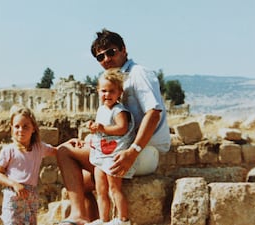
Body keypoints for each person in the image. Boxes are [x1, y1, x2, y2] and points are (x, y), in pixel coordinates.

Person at [56, 29, 171, 225]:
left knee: (64, 151)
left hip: (142, 151)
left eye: (111, 52)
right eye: (100, 56)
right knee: (81, 182)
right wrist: (89, 140)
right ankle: (94, 220)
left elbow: (154, 113)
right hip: (124, 147)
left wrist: (133, 151)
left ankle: (78, 216)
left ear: (124, 50)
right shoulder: (113, 81)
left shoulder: (138, 73)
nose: (106, 59)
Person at [0, 106, 63, 225]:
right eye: (17, 126)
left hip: (31, 197)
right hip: (13, 195)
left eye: (25, 126)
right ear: (11, 128)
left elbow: (57, 151)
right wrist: (14, 184)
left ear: (33, 129)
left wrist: (71, 144)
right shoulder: (9, 150)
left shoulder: (39, 147)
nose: (21, 130)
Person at [86, 69, 135, 225]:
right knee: (100, 190)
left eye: (111, 91)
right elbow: (100, 128)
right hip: (101, 154)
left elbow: (122, 128)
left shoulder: (119, 111)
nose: (107, 95)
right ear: (98, 92)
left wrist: (101, 128)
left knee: (114, 188)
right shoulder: (101, 109)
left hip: (114, 154)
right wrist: (92, 126)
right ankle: (103, 220)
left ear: (119, 92)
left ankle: (123, 219)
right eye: (104, 91)